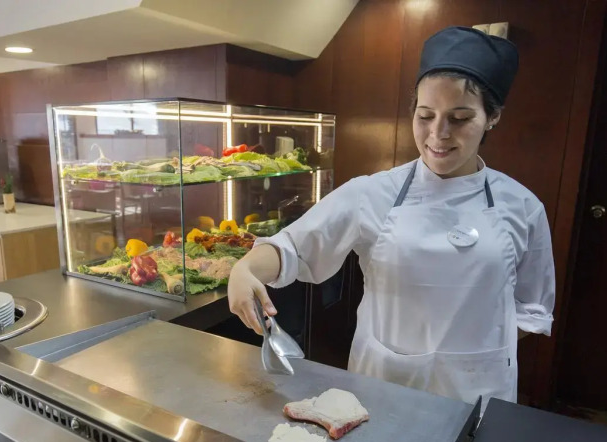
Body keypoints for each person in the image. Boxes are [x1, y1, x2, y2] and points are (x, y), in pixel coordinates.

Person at [228, 26, 555, 410]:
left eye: (460, 118)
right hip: (385, 385)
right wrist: (246, 269)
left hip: (479, 393)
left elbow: (531, 309)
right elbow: (293, 246)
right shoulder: (372, 193)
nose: (438, 134)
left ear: (492, 117)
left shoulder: (522, 206)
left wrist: (469, 355)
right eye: (425, 115)